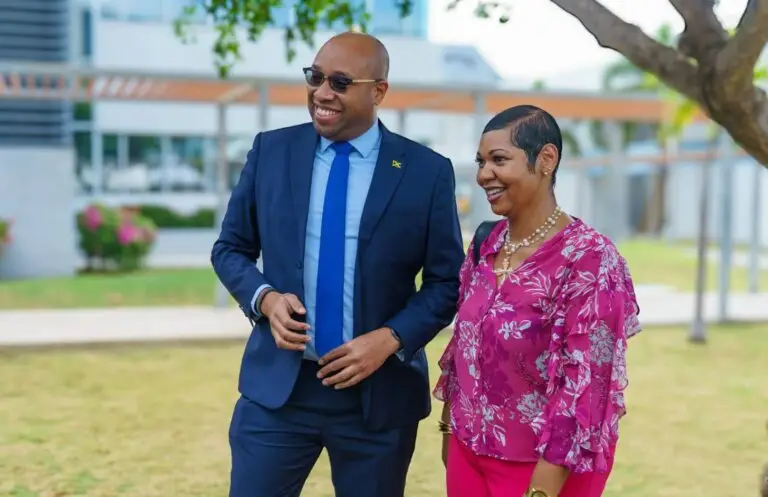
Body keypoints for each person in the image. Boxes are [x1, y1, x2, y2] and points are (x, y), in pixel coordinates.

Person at [211, 31, 465, 497]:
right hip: (279, 394)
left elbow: (447, 282)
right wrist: (265, 299)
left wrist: (389, 340)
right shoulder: (271, 152)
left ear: (379, 91)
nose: (322, 93)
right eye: (316, 77)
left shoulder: (426, 172)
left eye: (341, 82)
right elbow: (230, 248)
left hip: (378, 400)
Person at [433, 105, 642, 497]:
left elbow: (585, 386)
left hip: (542, 469)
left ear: (546, 159)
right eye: (480, 162)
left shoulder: (590, 259)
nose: (483, 175)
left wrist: (542, 489)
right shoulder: (486, 244)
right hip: (467, 454)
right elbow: (464, 347)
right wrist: (449, 432)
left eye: (499, 160)